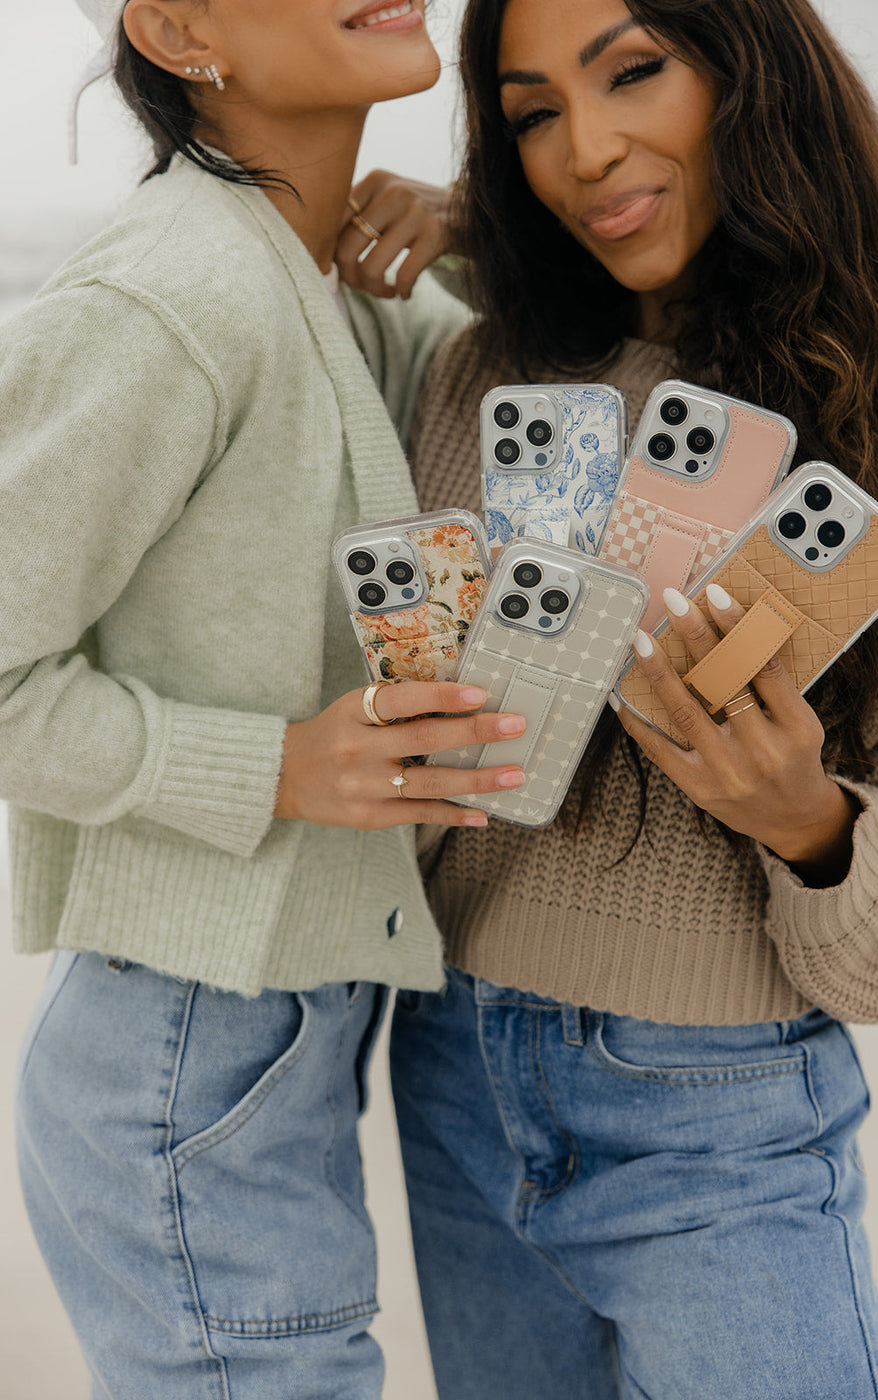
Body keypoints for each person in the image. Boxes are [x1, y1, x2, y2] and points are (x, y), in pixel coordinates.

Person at [388, 1, 878, 1396]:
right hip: (453, 1063)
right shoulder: (484, 369)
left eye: (632, 71)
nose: (583, 149)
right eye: (529, 114)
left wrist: (810, 821)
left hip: (715, 1103)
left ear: (749, 69)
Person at [4, 1, 528, 1395]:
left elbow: (545, 398)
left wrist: (473, 218)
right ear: (180, 31)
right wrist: (273, 768)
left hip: (274, 1026)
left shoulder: (337, 283)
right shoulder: (172, 299)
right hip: (183, 1042)